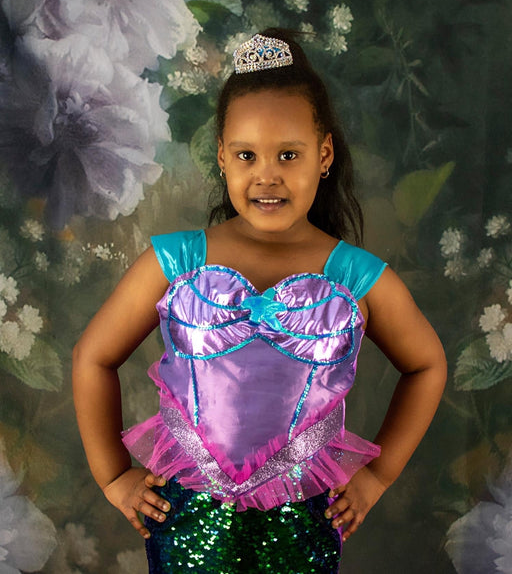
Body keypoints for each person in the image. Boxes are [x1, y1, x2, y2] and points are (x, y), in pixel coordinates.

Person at [73, 29, 447, 573]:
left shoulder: (357, 278)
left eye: (288, 155)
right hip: (187, 522)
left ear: (323, 155)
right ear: (222, 158)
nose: (266, 175)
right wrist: (113, 475)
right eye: (246, 155)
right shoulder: (176, 262)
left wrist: (376, 477)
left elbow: (427, 365)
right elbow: (93, 356)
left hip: (302, 527)